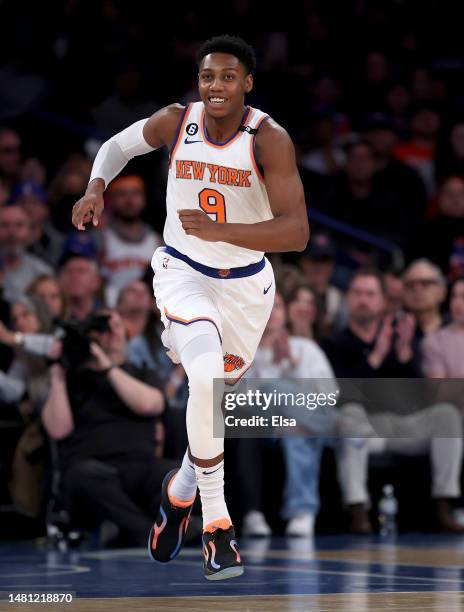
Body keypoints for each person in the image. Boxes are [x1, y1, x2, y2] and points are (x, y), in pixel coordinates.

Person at [71, 35, 309, 579]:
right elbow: (116, 146)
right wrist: (95, 187)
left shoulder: (270, 139)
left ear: (247, 82)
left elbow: (296, 233)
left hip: (247, 287)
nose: (216, 86)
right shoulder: (179, 121)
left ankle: (179, 495)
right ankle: (217, 525)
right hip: (182, 274)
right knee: (203, 381)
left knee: (212, 401)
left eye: (228, 77)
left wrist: (225, 230)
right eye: (207, 77)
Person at [322, 269, 464, 533]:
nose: (364, 299)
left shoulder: (401, 339)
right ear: (348, 299)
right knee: (350, 415)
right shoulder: (333, 343)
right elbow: (339, 395)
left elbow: (420, 400)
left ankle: (446, 506)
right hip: (365, 430)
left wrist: (405, 356)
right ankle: (358, 511)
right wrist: (376, 356)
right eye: (357, 293)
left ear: (383, 302)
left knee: (446, 414)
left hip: (401, 428)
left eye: (371, 294)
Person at [41, 309, 174, 546]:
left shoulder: (143, 373)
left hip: (141, 468)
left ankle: (126, 526)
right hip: (94, 470)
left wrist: (107, 365)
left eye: (115, 326)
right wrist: (57, 375)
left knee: (184, 475)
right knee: (83, 475)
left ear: (127, 334)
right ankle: (150, 532)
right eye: (101, 328)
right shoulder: (73, 378)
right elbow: (58, 430)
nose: (108, 334)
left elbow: (150, 405)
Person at [100, 175, 163, 306]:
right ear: (110, 200)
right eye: (121, 194)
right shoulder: (100, 238)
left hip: (147, 313)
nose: (129, 200)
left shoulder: (158, 241)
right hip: (110, 310)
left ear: (144, 199)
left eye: (135, 193)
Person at [0, 204, 53, 303]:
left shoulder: (41, 272)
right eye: (5, 225)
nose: (12, 232)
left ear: (29, 231)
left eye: (19, 225)